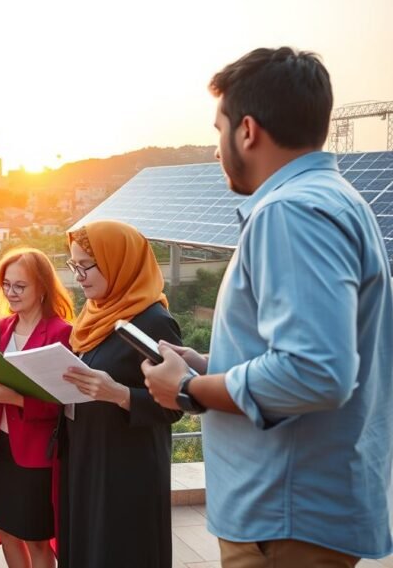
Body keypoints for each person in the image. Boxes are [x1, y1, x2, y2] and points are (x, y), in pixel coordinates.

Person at [142, 47, 393, 567]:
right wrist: (209, 366)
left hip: (283, 520)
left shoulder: (291, 212)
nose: (216, 150)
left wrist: (188, 389)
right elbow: (309, 354)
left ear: (248, 131)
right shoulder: (336, 200)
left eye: (219, 130)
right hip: (294, 512)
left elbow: (314, 371)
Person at [58, 220, 183, 568]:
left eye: (86, 265)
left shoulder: (154, 321)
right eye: (74, 265)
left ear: (119, 261)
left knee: (121, 551)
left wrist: (120, 394)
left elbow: (176, 406)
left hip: (127, 469)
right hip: (86, 453)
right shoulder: (93, 315)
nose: (78, 276)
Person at [0, 248, 74, 568]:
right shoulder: (2, 328)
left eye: (20, 286)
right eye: (7, 285)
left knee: (36, 537)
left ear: (43, 287)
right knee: (4, 530)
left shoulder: (62, 334)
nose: (11, 293)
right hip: (1, 448)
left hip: (37, 453)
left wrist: (17, 399)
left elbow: (65, 402)